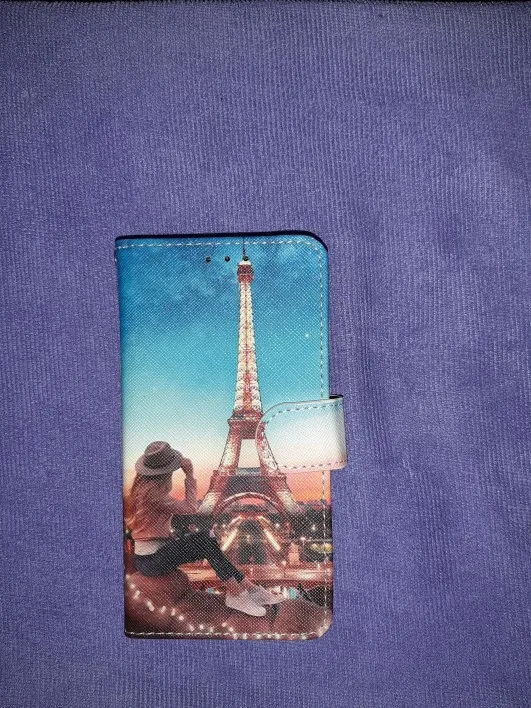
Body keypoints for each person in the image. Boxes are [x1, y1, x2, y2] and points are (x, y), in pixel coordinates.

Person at [127, 441, 282, 617]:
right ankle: (239, 594)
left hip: (152, 557)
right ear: (165, 473)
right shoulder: (155, 495)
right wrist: (189, 475)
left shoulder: (144, 492)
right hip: (152, 560)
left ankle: (248, 589)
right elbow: (191, 507)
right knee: (206, 542)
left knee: (206, 538)